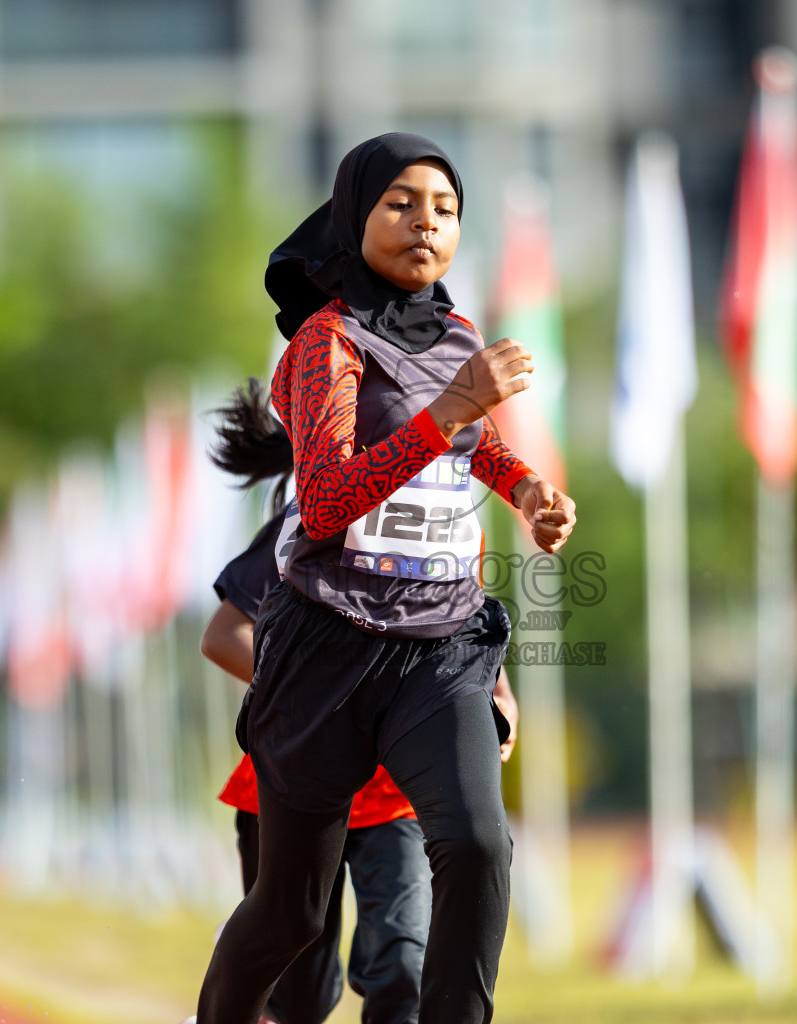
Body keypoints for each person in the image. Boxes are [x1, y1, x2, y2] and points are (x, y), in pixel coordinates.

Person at [191, 133, 575, 1024]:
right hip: (325, 646)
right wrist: (453, 407)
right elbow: (324, 502)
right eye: (402, 203)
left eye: (445, 210)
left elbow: (472, 454)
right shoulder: (324, 348)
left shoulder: (459, 337)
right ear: (353, 214)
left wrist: (527, 492)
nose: (426, 224)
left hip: (440, 645)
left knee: (479, 846)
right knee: (290, 914)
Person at [199, 381, 519, 1024]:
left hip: (392, 795)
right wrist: (320, 691)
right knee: (299, 994)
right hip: (298, 773)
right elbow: (222, 634)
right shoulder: (310, 526)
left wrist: (499, 698)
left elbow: (464, 636)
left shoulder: (453, 527)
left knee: (404, 964)